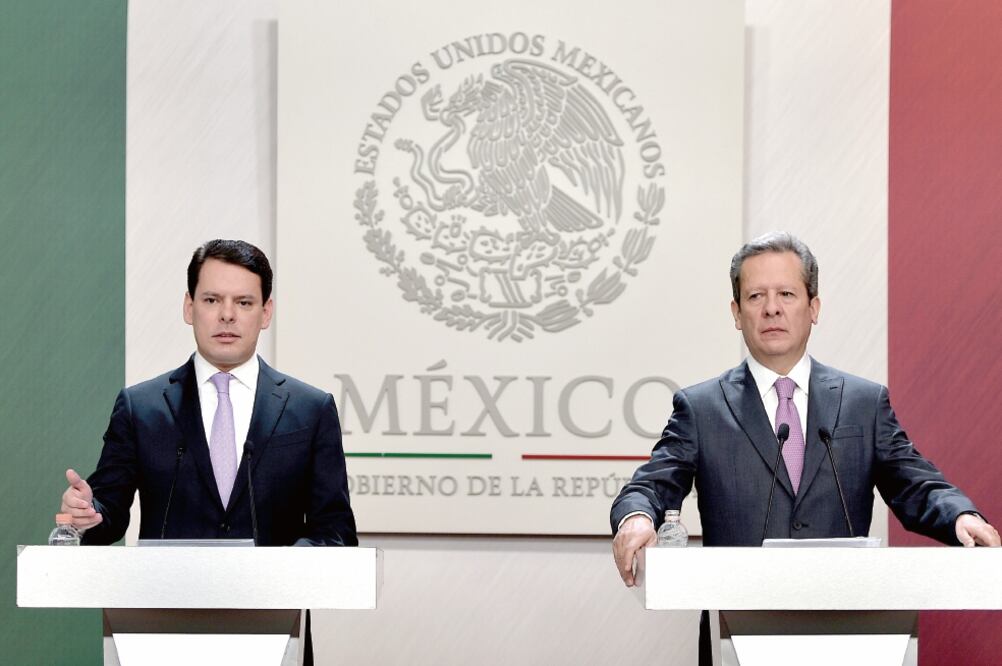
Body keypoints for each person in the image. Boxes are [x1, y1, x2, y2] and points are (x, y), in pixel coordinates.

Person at [612, 231, 999, 586]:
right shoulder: (701, 409)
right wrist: (637, 517)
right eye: (756, 296)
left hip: (844, 614)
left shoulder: (863, 403)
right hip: (737, 616)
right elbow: (650, 486)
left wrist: (960, 515)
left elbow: (916, 485)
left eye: (786, 294)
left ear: (813, 307)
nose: (772, 309)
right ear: (736, 313)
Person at [60, 239, 357, 546]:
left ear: (266, 312)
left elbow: (336, 532)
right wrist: (86, 515)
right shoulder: (141, 407)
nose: (227, 315)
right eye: (212, 300)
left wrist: (279, 565)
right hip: (169, 578)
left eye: (244, 302)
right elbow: (108, 515)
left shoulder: (311, 410)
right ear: (189, 307)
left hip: (273, 579)